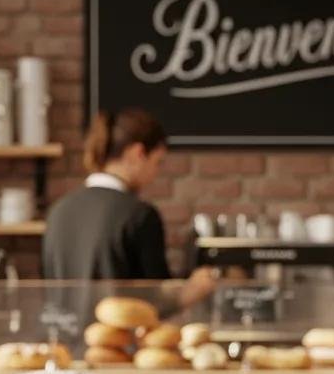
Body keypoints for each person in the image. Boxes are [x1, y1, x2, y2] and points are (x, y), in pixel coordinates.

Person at [43, 107, 214, 309]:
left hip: (62, 339)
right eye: (157, 162)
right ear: (138, 153)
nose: (155, 173)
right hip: (119, 339)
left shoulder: (59, 211)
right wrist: (193, 291)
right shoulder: (139, 215)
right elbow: (155, 304)